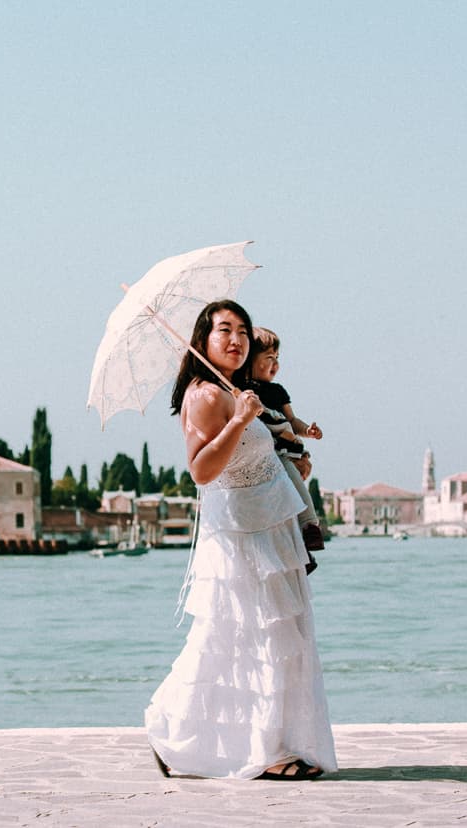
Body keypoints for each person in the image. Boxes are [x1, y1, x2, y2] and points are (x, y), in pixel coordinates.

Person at [145, 299, 336, 781]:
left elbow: (255, 453)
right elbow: (202, 469)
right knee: (253, 635)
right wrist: (238, 421)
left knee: (260, 636)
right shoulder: (206, 395)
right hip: (240, 535)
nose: (236, 340)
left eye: (243, 332)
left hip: (272, 524)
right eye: (224, 331)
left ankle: (178, 730)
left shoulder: (240, 387)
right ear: (203, 340)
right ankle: (267, 750)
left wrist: (293, 463)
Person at [248, 327, 326, 558]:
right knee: (285, 500)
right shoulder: (243, 393)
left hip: (286, 452)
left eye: (277, 358)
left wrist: (308, 431)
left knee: (295, 487)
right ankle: (304, 544)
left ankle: (310, 525)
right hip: (268, 454)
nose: (275, 364)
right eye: (268, 358)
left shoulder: (277, 391)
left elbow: (291, 420)